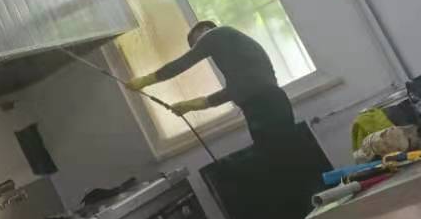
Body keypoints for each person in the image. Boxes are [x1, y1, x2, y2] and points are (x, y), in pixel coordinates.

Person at [127, 20, 296, 149]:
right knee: (282, 153)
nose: (199, 49)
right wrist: (194, 104)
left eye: (196, 44)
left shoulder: (216, 34)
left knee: (279, 154)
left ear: (204, 30)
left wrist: (146, 80)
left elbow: (182, 63)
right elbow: (236, 89)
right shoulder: (236, 53)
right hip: (269, 102)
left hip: (264, 105)